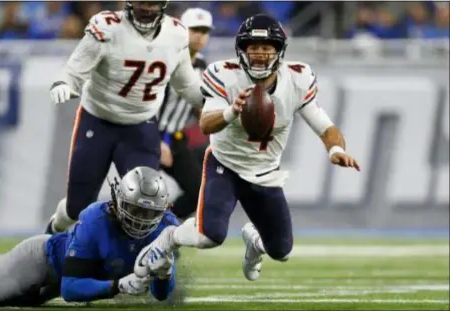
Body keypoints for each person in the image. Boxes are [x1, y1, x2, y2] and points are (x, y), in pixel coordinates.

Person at [132, 14, 360, 282]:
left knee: (281, 250)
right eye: (253, 47)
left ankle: (254, 240)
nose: (260, 54)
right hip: (224, 166)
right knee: (208, 236)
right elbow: (206, 124)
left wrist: (335, 150)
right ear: (242, 50)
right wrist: (231, 111)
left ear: (279, 51)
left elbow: (325, 126)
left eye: (266, 48)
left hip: (265, 172)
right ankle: (168, 238)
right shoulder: (224, 74)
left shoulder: (297, 79)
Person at [45, 1, 204, 235]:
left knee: (145, 205)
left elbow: (187, 84)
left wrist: (215, 104)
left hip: (140, 126)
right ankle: (52, 231)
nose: (147, 8)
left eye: (153, 3)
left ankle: (141, 263)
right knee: (77, 208)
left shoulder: (176, 34)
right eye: (142, 2)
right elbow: (75, 69)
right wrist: (63, 83)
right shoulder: (107, 27)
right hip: (97, 121)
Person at [0, 167, 178, 306]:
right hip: (40, 262)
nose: (140, 220)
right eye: (135, 209)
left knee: (16, 302)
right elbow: (70, 287)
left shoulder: (167, 228)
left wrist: (164, 273)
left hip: (53, 286)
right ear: (119, 200)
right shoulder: (96, 219)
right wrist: (118, 286)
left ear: (162, 211)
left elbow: (161, 295)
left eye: (149, 214)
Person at [158, 7, 213, 221]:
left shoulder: (202, 66)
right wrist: (155, 139)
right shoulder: (165, 61)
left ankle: (160, 231)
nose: (200, 36)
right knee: (140, 192)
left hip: (176, 139)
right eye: (195, 30)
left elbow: (200, 107)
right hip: (147, 135)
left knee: (199, 192)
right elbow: (144, 101)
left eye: (205, 31)